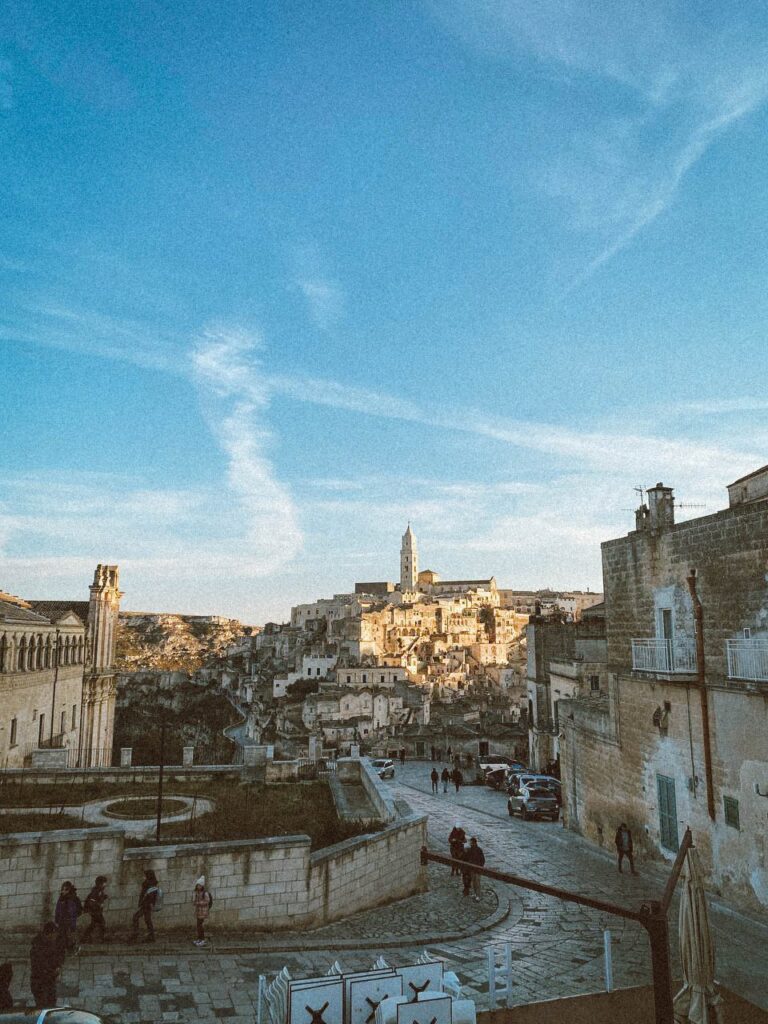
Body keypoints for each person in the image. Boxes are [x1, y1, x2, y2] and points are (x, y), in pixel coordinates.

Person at [30, 923, 64, 1009]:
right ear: (48, 934)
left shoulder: (53, 942)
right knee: (42, 1006)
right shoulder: (37, 947)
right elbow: (39, 966)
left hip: (50, 980)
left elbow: (60, 955)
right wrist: (53, 971)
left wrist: (58, 966)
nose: (56, 937)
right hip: (40, 982)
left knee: (52, 1004)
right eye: (54, 935)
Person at [129, 869, 160, 943]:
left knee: (136, 917)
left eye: (145, 875)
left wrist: (144, 902)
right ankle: (151, 936)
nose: (144, 877)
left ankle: (135, 934)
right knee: (147, 920)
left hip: (146, 905)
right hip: (146, 904)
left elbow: (149, 895)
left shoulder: (149, 884)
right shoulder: (151, 883)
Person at [54, 881, 82, 954]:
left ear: (69, 890)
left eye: (66, 889)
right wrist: (56, 920)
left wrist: (74, 916)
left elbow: (79, 909)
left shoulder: (74, 898)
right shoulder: (61, 899)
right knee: (62, 936)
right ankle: (65, 949)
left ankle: (73, 948)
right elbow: (57, 910)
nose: (63, 891)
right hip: (62, 921)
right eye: (62, 889)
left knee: (69, 936)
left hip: (70, 921)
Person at [81, 875, 109, 943]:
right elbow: (92, 901)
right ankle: (102, 938)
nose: (105, 884)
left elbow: (97, 898)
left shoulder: (100, 891)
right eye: (104, 883)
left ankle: (84, 938)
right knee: (102, 923)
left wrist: (104, 897)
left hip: (96, 911)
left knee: (93, 925)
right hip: (95, 911)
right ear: (100, 884)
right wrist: (99, 904)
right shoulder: (96, 891)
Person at [462, 836, 485, 901]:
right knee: (473, 882)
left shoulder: (478, 850)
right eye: (470, 843)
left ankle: (478, 895)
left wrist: (480, 867)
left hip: (477, 869)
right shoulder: (470, 850)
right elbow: (466, 858)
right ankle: (475, 894)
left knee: (477, 882)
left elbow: (482, 860)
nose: (470, 844)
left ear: (474, 843)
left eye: (471, 843)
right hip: (472, 869)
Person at [192, 876, 213, 947]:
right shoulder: (197, 893)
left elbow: (207, 901)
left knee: (200, 926)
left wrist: (198, 903)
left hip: (203, 912)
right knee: (198, 926)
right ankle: (199, 939)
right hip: (198, 912)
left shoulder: (205, 893)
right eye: (197, 885)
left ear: (202, 886)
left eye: (200, 885)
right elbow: (195, 901)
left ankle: (203, 940)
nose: (198, 886)